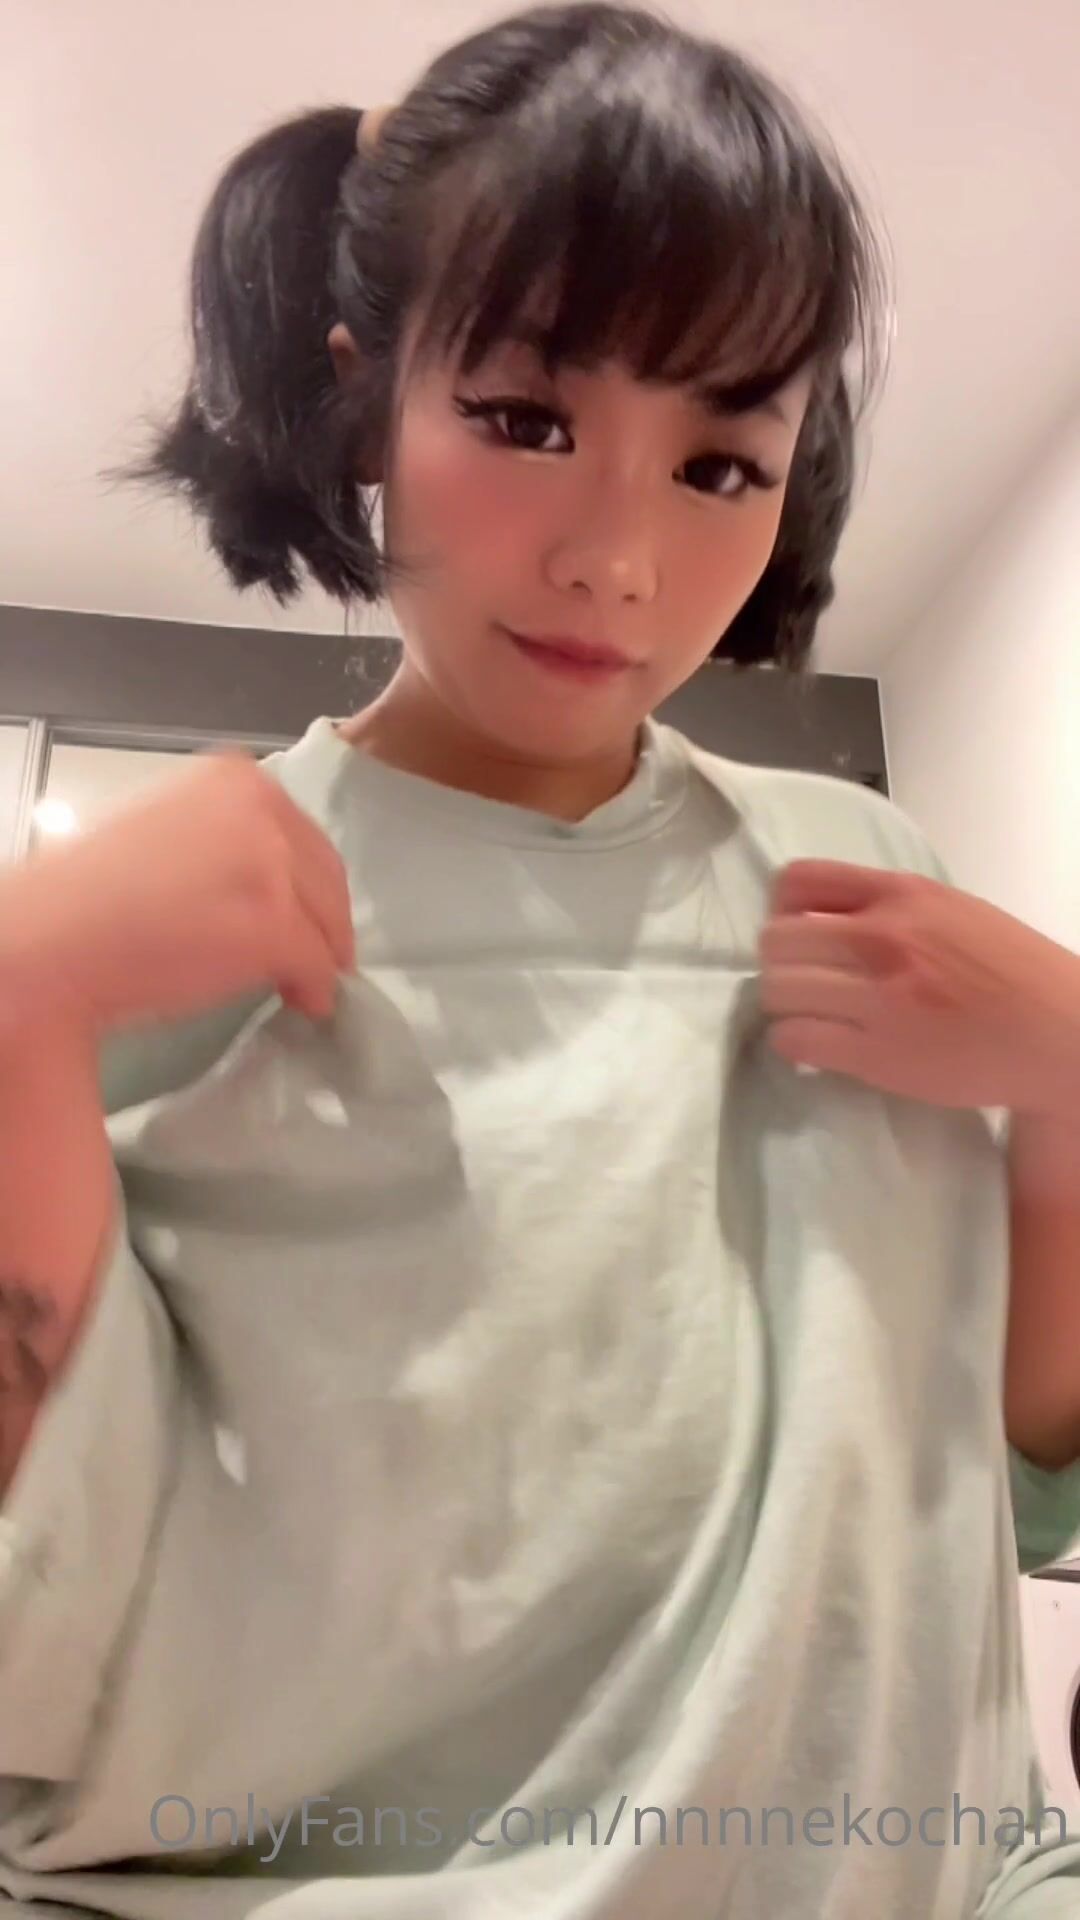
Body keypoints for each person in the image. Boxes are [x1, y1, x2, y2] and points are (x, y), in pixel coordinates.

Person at [2, 4, 1079, 1914]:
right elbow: (43, 1616)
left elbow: (1011, 1482)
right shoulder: (183, 909)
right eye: (524, 421)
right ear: (366, 402)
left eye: (722, 465)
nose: (616, 561)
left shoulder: (857, 871)